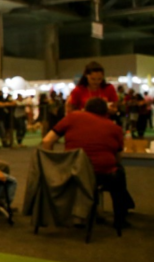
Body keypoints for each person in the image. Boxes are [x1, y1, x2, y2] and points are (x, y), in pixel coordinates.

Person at [42, 97, 133, 229]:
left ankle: (86, 212)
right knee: (119, 174)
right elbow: (118, 157)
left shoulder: (72, 117)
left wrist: (52, 166)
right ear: (105, 112)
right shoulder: (115, 128)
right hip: (101, 175)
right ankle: (120, 218)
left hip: (72, 172)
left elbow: (47, 141)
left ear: (85, 108)